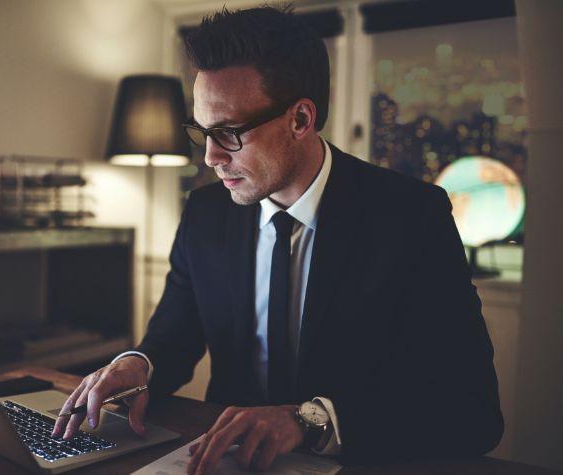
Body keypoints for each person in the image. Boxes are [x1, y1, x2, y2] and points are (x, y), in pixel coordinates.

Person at [52, 5, 503, 475]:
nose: (210, 158)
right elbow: (174, 336)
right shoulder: (205, 214)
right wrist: (136, 365)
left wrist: (308, 421)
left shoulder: (411, 217)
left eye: (227, 133)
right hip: (221, 462)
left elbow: (472, 410)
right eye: (203, 132)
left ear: (301, 119)